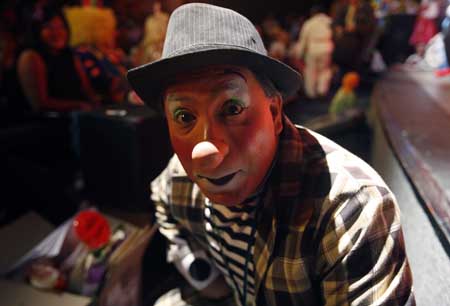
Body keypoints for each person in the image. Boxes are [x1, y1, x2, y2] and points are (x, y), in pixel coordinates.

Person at [127, 3, 415, 306]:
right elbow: (161, 199)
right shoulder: (180, 178)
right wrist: (202, 275)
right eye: (184, 117)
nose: (205, 151)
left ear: (275, 111)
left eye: (232, 109)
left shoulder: (349, 208)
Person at [17, 6, 99, 112]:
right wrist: (79, 105)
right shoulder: (30, 56)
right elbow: (40, 104)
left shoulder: (69, 55)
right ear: (37, 30)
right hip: (46, 123)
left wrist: (97, 103)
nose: (57, 33)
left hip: (78, 116)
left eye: (61, 27)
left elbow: (87, 90)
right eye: (49, 27)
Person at [291, 6, 334, 98]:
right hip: (326, 46)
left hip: (313, 48)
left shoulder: (309, 23)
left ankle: (311, 94)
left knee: (311, 71)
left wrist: (300, 54)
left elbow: (303, 39)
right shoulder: (329, 21)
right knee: (324, 70)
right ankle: (322, 91)